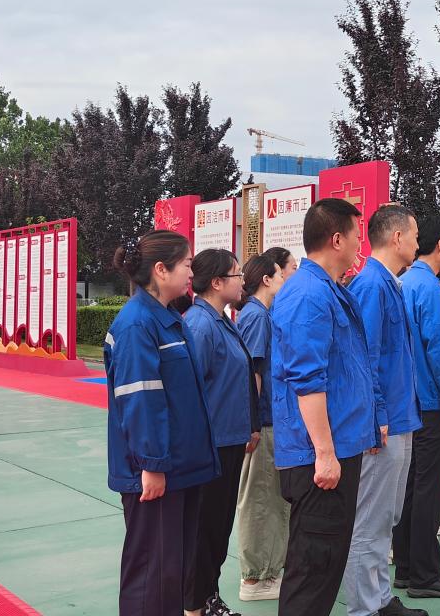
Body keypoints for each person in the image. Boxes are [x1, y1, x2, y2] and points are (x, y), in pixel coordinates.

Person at [272, 198, 380, 616]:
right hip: (317, 457)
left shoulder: (328, 289)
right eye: (356, 237)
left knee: (326, 563)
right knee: (312, 568)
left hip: (337, 447)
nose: (359, 246)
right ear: (337, 239)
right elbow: (307, 381)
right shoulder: (308, 294)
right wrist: (325, 453)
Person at [105, 231, 219, 616]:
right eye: (187, 264)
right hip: (156, 473)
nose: (192, 273)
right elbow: (140, 400)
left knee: (170, 574)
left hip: (178, 469)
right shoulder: (137, 324)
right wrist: (151, 465)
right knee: (151, 577)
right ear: (160, 269)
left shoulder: (167, 318)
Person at [343, 205, 424, 616]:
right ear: (396, 237)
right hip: (383, 424)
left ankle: (381, 598)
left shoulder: (388, 284)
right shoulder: (371, 286)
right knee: (369, 521)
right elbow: (365, 360)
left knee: (386, 517)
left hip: (399, 418)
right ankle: (364, 607)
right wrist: (377, 416)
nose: (417, 244)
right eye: (415, 235)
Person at [393, 216, 440, 599]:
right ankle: (425, 575)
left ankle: (406, 568)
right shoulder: (429, 288)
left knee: (410, 486)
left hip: (409, 402)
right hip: (432, 403)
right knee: (430, 489)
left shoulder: (403, 283)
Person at [184, 249, 261, 616]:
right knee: (205, 531)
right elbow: (188, 392)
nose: (242, 280)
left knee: (217, 529)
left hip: (228, 441)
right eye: (236, 275)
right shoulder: (200, 326)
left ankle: (207, 598)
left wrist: (250, 426)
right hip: (210, 446)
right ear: (216, 283)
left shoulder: (221, 321)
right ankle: (196, 605)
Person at [235, 254, 288, 602]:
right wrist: (252, 424)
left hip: (268, 421)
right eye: (281, 273)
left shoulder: (260, 314)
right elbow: (252, 373)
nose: (285, 279)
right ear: (267, 279)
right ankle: (257, 579)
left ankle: (265, 572)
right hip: (263, 423)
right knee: (261, 500)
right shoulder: (256, 316)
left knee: (269, 498)